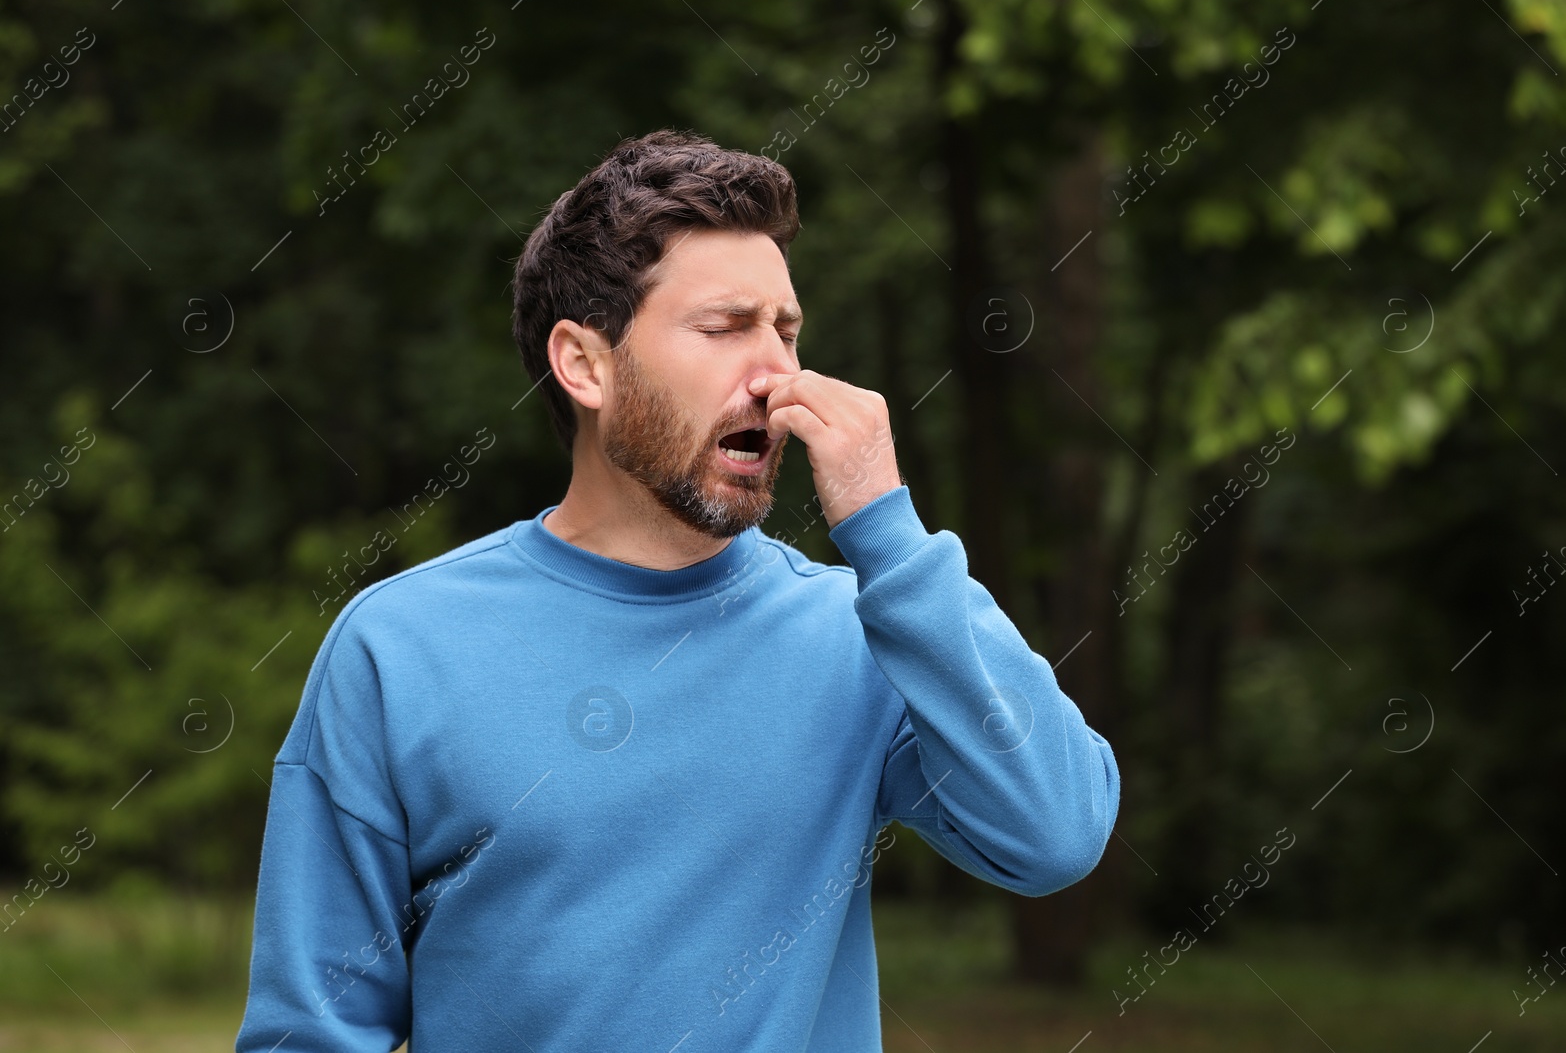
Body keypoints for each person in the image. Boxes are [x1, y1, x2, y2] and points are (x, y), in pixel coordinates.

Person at [235, 128, 1119, 1052]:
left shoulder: (861, 632)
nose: (779, 373)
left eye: (786, 330)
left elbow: (1054, 833)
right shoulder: (399, 646)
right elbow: (311, 1031)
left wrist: (890, 533)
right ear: (585, 364)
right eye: (726, 327)